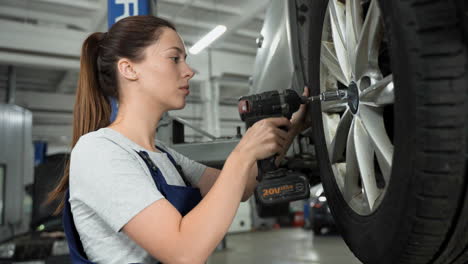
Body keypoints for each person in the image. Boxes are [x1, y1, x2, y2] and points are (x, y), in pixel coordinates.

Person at [48, 15, 310, 264]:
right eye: (174, 58)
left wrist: (289, 128)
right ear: (128, 69)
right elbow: (184, 253)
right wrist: (242, 154)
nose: (189, 71)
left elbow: (243, 186)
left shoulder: (167, 156)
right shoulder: (99, 151)